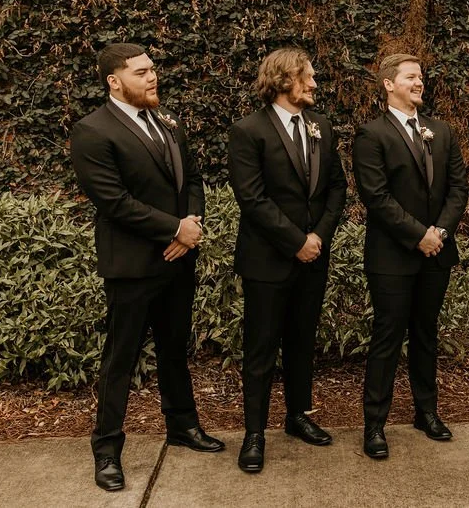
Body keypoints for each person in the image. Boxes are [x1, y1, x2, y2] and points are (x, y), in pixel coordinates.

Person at [71, 43, 224, 492]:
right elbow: (114, 202)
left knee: (175, 351)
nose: (152, 78)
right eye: (141, 73)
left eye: (153, 70)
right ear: (114, 81)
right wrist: (174, 228)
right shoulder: (92, 130)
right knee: (121, 359)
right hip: (133, 266)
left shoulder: (168, 122)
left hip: (178, 261)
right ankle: (106, 450)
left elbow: (192, 179)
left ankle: (182, 426)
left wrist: (191, 225)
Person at [228, 47, 348, 473]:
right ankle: (254, 434)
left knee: (302, 342)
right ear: (283, 80)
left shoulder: (322, 126)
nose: (314, 83)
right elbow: (252, 199)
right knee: (261, 348)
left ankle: (298, 416)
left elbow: (337, 188)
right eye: (307, 76)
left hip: (314, 256)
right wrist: (296, 240)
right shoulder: (248, 131)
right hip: (268, 260)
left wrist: (317, 237)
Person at [352, 53, 468, 459]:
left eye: (421, 76)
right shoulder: (371, 135)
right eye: (411, 77)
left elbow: (458, 188)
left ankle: (426, 412)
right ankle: (374, 425)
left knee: (426, 334)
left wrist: (440, 232)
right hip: (392, 257)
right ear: (388, 84)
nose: (420, 82)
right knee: (387, 337)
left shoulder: (441, 130)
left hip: (437, 251)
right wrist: (419, 235)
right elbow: (376, 197)